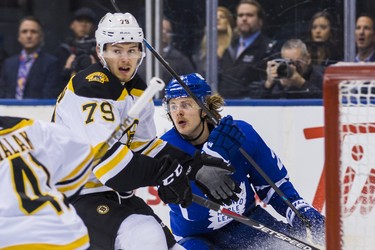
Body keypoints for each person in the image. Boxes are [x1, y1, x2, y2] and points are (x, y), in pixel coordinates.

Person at [52, 12, 240, 250]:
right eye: (117, 50)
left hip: (116, 197)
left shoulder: (137, 89)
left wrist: (193, 166)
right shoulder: (91, 86)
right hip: (75, 198)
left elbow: (145, 145)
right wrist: (168, 175)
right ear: (100, 50)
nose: (125, 58)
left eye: (132, 50)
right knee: (146, 236)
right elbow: (112, 169)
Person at [160, 73, 325, 249]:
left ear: (204, 106)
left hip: (246, 224)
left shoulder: (239, 135)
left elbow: (272, 186)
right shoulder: (165, 150)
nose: (178, 112)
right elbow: (194, 214)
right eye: (173, 105)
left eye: (186, 104)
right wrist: (210, 157)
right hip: (196, 237)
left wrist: (299, 212)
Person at [0, 115, 94, 249]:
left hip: (12, 242)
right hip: (66, 235)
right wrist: (62, 194)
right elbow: (83, 151)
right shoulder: (31, 127)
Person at [219, 0, 276, 99]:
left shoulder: (267, 48)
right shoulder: (229, 46)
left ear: (260, 21)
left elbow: (266, 86)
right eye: (240, 15)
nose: (244, 19)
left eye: (249, 15)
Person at [0, 16, 60, 99]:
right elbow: (2, 93)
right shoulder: (8, 63)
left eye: (33, 31)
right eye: (24, 32)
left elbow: (49, 95)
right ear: (19, 37)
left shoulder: (51, 63)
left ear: (41, 36)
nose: (29, 35)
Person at [138, 17, 194, 96]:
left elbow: (191, 86)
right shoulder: (138, 56)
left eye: (168, 31)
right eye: (161, 29)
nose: (164, 32)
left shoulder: (180, 60)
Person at [54, 7, 98, 86]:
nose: (83, 24)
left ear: (94, 27)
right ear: (72, 25)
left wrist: (96, 70)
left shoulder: (100, 50)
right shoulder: (63, 50)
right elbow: (55, 82)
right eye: (79, 20)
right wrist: (66, 71)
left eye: (88, 21)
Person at [193, 6, 235, 76]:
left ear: (229, 21)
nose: (218, 19)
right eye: (214, 17)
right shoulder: (202, 50)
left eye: (222, 17)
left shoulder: (235, 45)